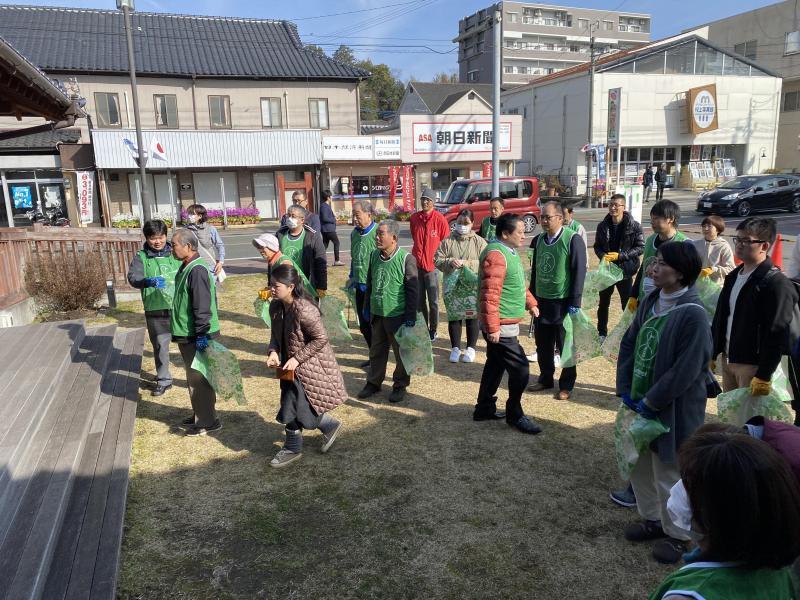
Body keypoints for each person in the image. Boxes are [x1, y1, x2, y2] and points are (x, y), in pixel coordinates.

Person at [618, 241, 712, 564]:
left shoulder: (694, 315)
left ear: (682, 273)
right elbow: (631, 341)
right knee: (641, 464)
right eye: (654, 261)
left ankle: (678, 535)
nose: (653, 269)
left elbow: (687, 368)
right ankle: (652, 519)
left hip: (674, 407)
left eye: (662, 264)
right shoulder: (652, 300)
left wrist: (654, 399)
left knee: (668, 468)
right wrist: (626, 386)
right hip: (641, 398)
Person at [649, 429, 800, 599]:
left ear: (718, 514)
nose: (679, 489)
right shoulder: (778, 571)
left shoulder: (690, 594)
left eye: (688, 484)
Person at [266, 264, 347, 468]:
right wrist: (273, 352)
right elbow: (275, 336)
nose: (272, 289)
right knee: (292, 402)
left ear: (291, 286)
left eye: (276, 285)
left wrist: (297, 358)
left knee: (293, 406)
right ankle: (329, 425)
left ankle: (293, 448)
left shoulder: (305, 309)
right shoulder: (275, 307)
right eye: (271, 284)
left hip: (308, 368)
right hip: (286, 367)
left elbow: (320, 339)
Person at [711, 217, 798, 394]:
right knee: (730, 418)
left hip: (752, 366)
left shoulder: (776, 283)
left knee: (748, 420)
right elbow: (722, 316)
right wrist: (713, 352)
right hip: (729, 359)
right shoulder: (734, 276)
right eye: (737, 239)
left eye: (746, 240)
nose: (739, 245)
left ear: (764, 246)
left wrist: (764, 374)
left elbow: (777, 332)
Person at [474, 213, 542, 434]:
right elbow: (489, 295)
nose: (524, 235)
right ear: (505, 234)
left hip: (503, 323)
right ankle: (515, 414)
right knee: (521, 369)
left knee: (495, 365)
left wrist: (530, 302)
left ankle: (484, 408)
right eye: (520, 232)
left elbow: (517, 284)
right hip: (500, 325)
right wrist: (493, 327)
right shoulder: (496, 255)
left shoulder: (509, 252)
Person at [528, 201, 587, 401]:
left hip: (563, 302)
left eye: (548, 217)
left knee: (565, 346)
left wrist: (575, 302)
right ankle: (545, 378)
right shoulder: (538, 240)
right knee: (543, 344)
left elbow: (579, 271)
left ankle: (567, 384)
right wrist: (532, 298)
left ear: (560, 218)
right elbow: (535, 270)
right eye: (542, 217)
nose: (543, 221)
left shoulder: (572, 239)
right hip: (542, 300)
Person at [358, 220, 419, 404]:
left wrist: (410, 317)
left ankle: (400, 385)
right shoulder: (374, 256)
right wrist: (367, 307)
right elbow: (370, 283)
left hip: (397, 315)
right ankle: (374, 382)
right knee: (376, 351)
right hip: (378, 313)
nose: (377, 237)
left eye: (381, 234)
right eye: (377, 234)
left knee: (401, 354)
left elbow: (413, 290)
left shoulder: (406, 259)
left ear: (393, 237)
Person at [170, 228, 222, 436]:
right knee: (194, 377)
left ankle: (207, 421)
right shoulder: (187, 266)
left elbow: (202, 306)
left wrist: (202, 334)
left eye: (174, 245)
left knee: (199, 378)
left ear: (188, 247)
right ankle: (201, 413)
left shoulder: (197, 270)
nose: (171, 248)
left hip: (198, 334)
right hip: (188, 333)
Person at [127, 219, 181, 396]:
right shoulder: (141, 257)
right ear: (147, 238)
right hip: (155, 309)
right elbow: (133, 278)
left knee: (189, 345)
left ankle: (198, 376)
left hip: (179, 307)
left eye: (161, 237)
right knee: (160, 346)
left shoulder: (176, 253)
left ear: (166, 236)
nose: (157, 241)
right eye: (152, 238)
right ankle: (164, 379)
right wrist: (146, 282)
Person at [434, 208, 488, 363]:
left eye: (466, 223)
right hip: (453, 287)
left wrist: (467, 264)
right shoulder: (447, 241)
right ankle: (455, 348)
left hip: (471, 287)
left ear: (472, 224)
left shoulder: (479, 242)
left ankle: (470, 348)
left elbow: (486, 262)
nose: (462, 226)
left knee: (472, 317)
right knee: (454, 317)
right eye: (459, 223)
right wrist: (450, 262)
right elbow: (437, 260)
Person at [594, 193, 645, 339]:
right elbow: (597, 246)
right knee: (603, 303)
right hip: (607, 270)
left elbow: (640, 247)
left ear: (623, 207)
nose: (613, 208)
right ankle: (602, 333)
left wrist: (621, 256)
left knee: (627, 303)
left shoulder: (634, 226)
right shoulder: (603, 226)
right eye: (611, 205)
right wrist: (603, 256)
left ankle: (628, 332)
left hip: (625, 270)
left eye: (616, 205)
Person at [410, 187, 450, 340]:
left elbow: (445, 243)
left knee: (433, 301)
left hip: (433, 268)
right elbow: (415, 237)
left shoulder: (440, 219)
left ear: (433, 202)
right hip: (417, 266)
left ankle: (433, 329)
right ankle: (422, 328)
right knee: (419, 301)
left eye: (428, 200)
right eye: (423, 199)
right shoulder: (414, 218)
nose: (425, 202)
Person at [630, 200, 687, 307]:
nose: (652, 222)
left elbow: (687, 279)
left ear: (670, 219)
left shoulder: (683, 244)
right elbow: (643, 268)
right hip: (646, 299)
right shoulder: (650, 240)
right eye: (652, 218)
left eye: (656, 218)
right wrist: (634, 294)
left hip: (669, 302)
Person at [275, 204, 327, 298]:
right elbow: (273, 260)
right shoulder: (280, 234)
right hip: (284, 284)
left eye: (293, 216)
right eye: (288, 215)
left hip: (304, 285)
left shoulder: (312, 236)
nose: (289, 218)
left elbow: (320, 262)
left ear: (302, 220)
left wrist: (321, 286)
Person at [347, 200, 378, 357]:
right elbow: (354, 258)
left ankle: (379, 359)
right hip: (359, 285)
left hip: (374, 287)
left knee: (374, 325)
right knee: (364, 326)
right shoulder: (354, 233)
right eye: (353, 215)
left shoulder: (378, 232)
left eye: (357, 215)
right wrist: (351, 277)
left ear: (369, 214)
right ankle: (373, 355)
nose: (354, 219)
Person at [252, 232, 316, 298]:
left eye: (262, 247)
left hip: (305, 300)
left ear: (271, 247)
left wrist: (271, 292)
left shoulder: (283, 262)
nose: (260, 250)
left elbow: (290, 287)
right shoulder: (274, 262)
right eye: (258, 247)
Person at [184, 204, 225, 277]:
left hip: (210, 266)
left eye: (192, 214)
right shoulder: (185, 230)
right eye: (189, 214)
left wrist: (221, 262)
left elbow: (220, 245)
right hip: (192, 266)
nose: (189, 216)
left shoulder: (210, 229)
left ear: (200, 216)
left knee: (211, 287)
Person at [693, 216, 735, 285]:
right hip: (697, 284)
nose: (706, 229)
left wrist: (713, 269)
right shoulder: (696, 244)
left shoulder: (723, 246)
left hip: (716, 287)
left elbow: (731, 269)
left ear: (718, 230)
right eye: (704, 226)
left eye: (709, 226)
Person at [318, 189, 344, 266]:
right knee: (336, 242)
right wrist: (334, 219)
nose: (331, 198)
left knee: (324, 245)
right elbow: (325, 218)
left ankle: (320, 260)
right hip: (328, 229)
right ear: (328, 197)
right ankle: (337, 260)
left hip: (326, 229)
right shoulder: (324, 206)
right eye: (330, 197)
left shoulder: (324, 206)